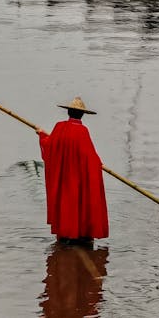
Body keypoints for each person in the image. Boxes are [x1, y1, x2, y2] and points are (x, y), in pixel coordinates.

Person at [36, 97, 109, 245]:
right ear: (82, 115)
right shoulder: (83, 131)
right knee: (79, 201)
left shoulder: (59, 127)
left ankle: (65, 234)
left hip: (64, 177)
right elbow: (91, 157)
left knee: (66, 202)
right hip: (78, 178)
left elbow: (50, 147)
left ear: (68, 112)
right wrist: (99, 164)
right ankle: (80, 234)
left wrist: (42, 135)